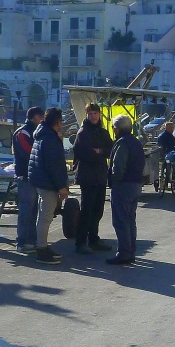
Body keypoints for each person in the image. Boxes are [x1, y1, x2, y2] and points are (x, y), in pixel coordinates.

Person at [28, 107, 69, 264]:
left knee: (43, 216)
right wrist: (62, 187)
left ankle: (42, 246)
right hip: (48, 183)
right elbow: (55, 166)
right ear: (57, 123)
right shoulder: (50, 139)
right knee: (45, 217)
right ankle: (42, 249)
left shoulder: (42, 135)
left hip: (41, 181)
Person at [72, 103, 114, 255]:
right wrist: (97, 154)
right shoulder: (82, 133)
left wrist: (100, 151)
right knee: (87, 210)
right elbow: (81, 153)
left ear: (99, 114)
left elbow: (111, 149)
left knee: (98, 210)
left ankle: (94, 239)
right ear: (86, 115)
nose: (93, 116)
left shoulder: (103, 132)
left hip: (100, 175)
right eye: (90, 114)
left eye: (95, 113)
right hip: (87, 176)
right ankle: (81, 242)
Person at [107, 114, 145, 265]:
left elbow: (118, 167)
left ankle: (124, 253)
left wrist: (114, 182)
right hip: (136, 184)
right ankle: (131, 251)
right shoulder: (136, 142)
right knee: (130, 220)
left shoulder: (122, 143)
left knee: (121, 221)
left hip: (123, 185)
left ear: (117, 128)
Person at [12, 106, 44, 253]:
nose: (42, 119)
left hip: (35, 176)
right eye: (40, 116)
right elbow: (28, 152)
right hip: (25, 176)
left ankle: (31, 240)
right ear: (33, 117)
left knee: (33, 210)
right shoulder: (22, 133)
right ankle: (22, 241)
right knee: (26, 210)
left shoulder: (36, 132)